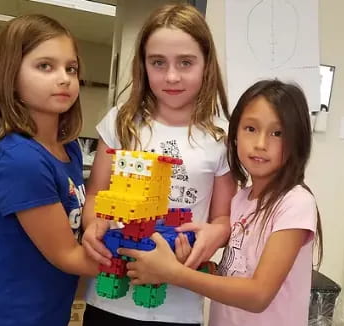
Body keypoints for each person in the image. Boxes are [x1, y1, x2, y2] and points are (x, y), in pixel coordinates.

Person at [120, 79, 324, 326]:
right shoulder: (241, 199)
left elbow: (258, 294)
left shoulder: (295, 202)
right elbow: (235, 272)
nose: (260, 144)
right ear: (235, 135)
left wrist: (176, 274)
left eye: (277, 133)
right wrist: (192, 263)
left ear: (297, 141)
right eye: (250, 128)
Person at [81, 4, 237, 326]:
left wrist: (214, 234)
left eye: (186, 62)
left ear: (206, 65)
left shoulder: (221, 135)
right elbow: (96, 194)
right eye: (158, 62)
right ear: (143, 65)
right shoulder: (121, 122)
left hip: (177, 306)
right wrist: (92, 225)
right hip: (109, 299)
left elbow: (222, 218)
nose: (171, 76)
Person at [0, 14, 99, 326]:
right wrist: (148, 259)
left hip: (47, 310)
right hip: (4, 316)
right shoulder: (20, 160)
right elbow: (69, 256)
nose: (64, 78)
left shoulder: (68, 147)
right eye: (45, 66)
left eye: (71, 68)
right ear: (11, 75)